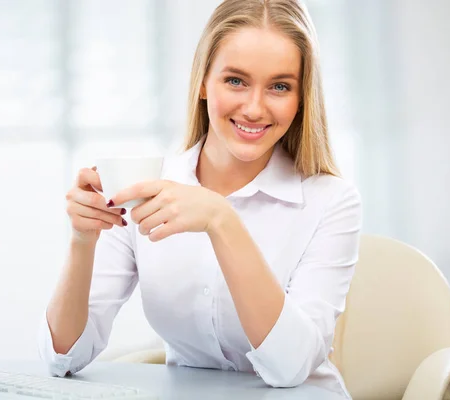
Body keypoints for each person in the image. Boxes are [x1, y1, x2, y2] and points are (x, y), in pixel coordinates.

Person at [39, 0, 361, 398]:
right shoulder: (147, 187)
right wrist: (82, 242)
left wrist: (220, 220)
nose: (255, 107)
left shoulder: (331, 201)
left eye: (280, 86)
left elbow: (291, 367)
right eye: (236, 81)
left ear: (300, 98)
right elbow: (64, 358)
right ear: (203, 81)